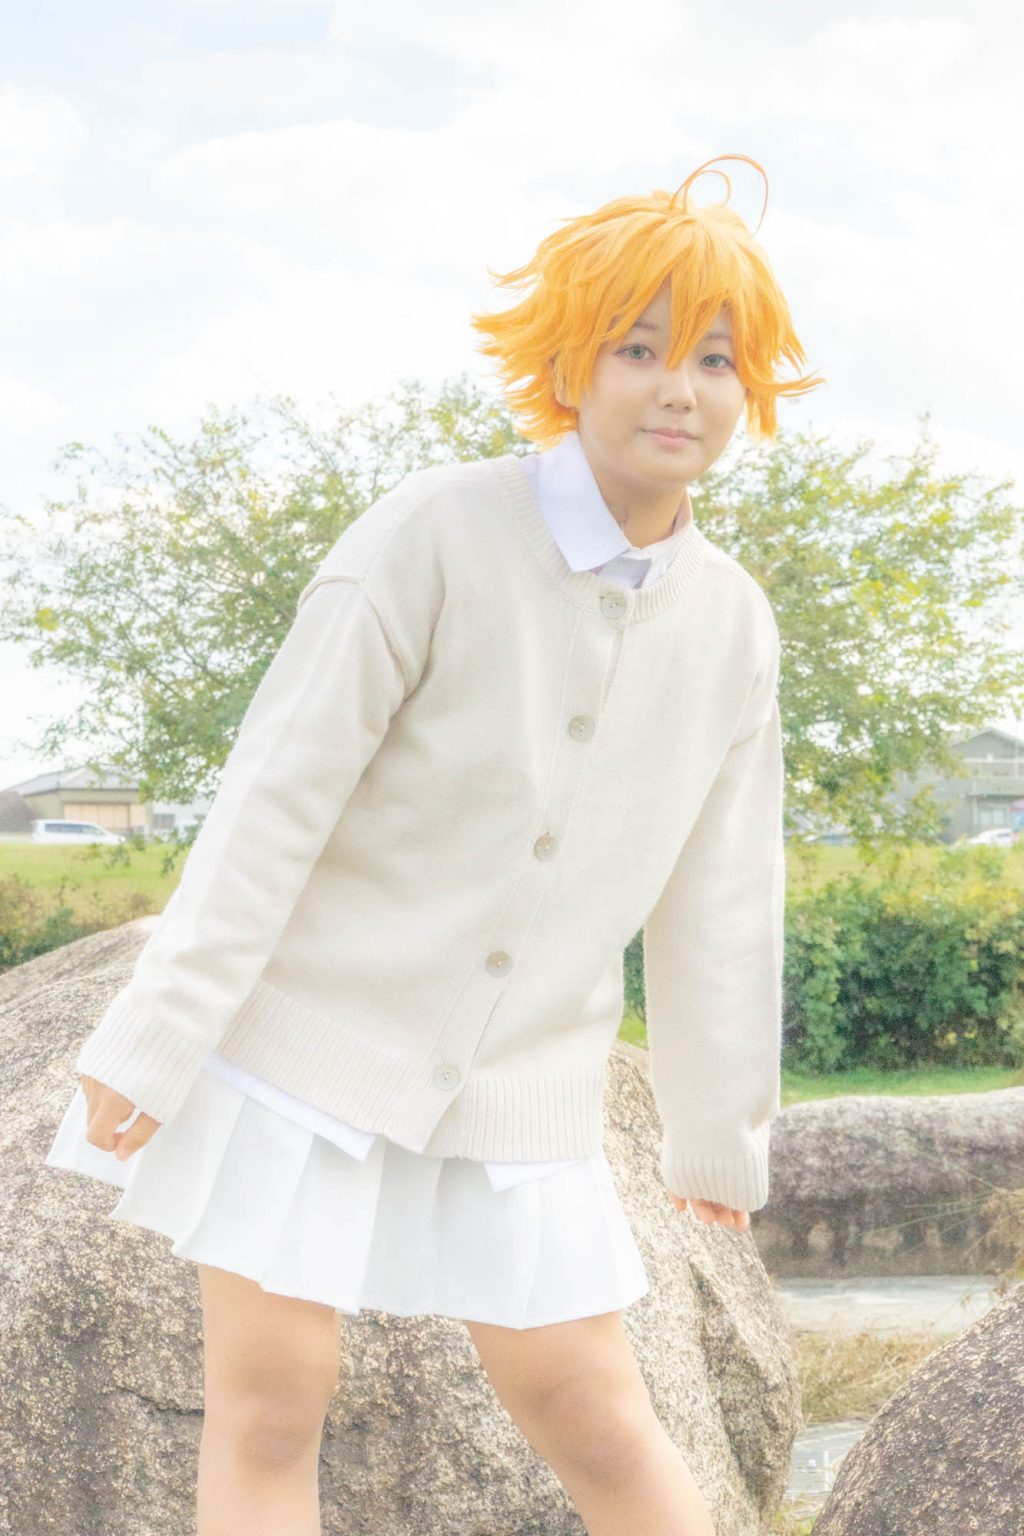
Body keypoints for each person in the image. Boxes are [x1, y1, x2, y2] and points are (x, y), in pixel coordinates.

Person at [46, 151, 824, 1536]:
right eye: (639, 348)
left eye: (715, 359)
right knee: (272, 1403)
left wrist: (718, 1133)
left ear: (748, 388)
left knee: (597, 1412)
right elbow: (273, 802)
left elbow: (723, 898)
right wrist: (159, 1040)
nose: (679, 388)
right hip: (304, 1045)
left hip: (525, 1085)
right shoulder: (430, 533)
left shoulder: (734, 624)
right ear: (569, 366)